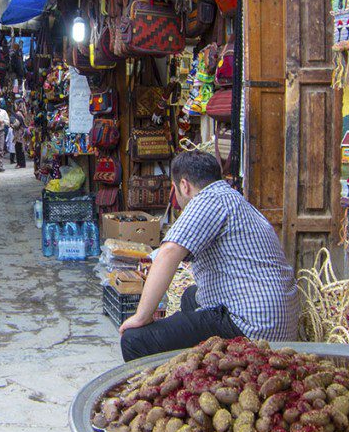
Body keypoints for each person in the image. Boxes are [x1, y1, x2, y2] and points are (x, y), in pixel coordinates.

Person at [119, 150, 298, 362]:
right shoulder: (232, 198)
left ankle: (168, 391)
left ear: (184, 185)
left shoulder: (208, 200)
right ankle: (196, 363)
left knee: (134, 339)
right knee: (190, 297)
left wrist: (142, 317)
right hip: (278, 320)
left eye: (175, 189)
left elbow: (168, 253)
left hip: (252, 327)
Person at [10, 101, 27, 169]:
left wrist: (12, 125)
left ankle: (19, 163)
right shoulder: (23, 113)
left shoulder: (18, 113)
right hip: (22, 132)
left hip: (18, 133)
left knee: (18, 148)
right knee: (21, 149)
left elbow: (17, 124)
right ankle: (23, 163)